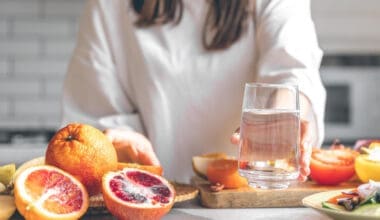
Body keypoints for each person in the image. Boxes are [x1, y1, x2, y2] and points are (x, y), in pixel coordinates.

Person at [62, 0, 326, 182]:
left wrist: (278, 119)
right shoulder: (110, 6)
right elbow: (96, 115)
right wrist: (117, 146)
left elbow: (291, 71)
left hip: (251, 199)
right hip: (154, 202)